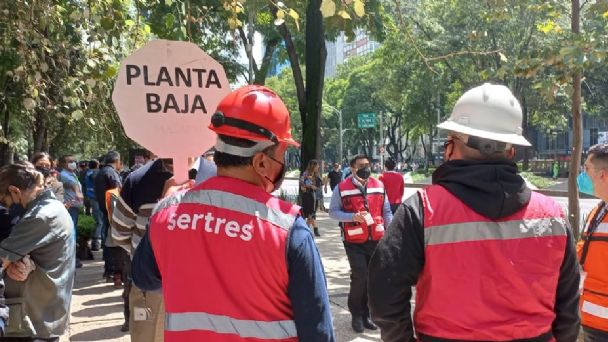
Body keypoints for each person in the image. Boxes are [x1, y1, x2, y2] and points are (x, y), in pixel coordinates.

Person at [368, 83, 580, 341]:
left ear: (452, 146)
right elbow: (568, 307)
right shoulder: (553, 215)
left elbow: (384, 295)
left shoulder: (423, 209)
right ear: (511, 150)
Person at [132, 85, 334, 341]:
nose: (283, 163)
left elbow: (144, 278)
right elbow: (318, 332)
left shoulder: (166, 212)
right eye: (282, 153)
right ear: (261, 162)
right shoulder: (288, 230)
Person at [0, 162, 75, 341]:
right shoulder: (52, 208)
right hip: (42, 315)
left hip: (34, 321)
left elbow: (2, 259)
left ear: (15, 191)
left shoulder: (41, 216)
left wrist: (10, 262)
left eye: (4, 199)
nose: (7, 206)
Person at [328, 154, 393, 333]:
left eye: (367, 165)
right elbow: (333, 212)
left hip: (376, 238)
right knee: (360, 275)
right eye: (361, 165)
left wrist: (390, 231)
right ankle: (356, 313)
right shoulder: (342, 188)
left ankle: (366, 314)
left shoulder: (378, 185)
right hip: (353, 240)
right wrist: (351, 217)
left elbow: (386, 210)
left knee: (371, 278)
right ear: (352, 168)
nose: (366, 168)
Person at [110, 158, 173, 338]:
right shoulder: (138, 180)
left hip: (204, 289)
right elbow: (120, 233)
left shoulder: (214, 175)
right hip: (151, 287)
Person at [576, 143, 608, 341]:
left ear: (603, 175)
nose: (582, 174)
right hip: (592, 324)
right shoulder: (598, 211)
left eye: (586, 168)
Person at [94, 151, 123, 282]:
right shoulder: (110, 173)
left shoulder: (101, 172)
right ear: (117, 161)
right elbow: (118, 189)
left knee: (108, 240)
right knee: (113, 243)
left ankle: (109, 270)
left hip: (105, 209)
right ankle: (113, 270)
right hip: (112, 211)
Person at [57, 154, 84, 269]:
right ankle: (71, 259)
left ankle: (72, 258)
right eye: (70, 161)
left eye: (74, 161)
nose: (73, 163)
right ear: (63, 164)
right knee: (70, 233)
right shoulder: (63, 175)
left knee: (73, 233)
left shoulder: (73, 174)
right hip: (70, 208)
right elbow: (72, 185)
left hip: (74, 208)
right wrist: (78, 192)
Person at [84, 159, 104, 251]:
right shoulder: (95, 173)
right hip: (96, 198)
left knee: (99, 220)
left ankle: (99, 241)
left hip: (91, 198)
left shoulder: (88, 172)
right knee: (99, 221)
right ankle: (95, 243)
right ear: (97, 165)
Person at [300, 160, 320, 237]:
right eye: (317, 165)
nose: (318, 167)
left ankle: (308, 229)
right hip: (308, 196)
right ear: (313, 166)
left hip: (315, 196)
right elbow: (302, 183)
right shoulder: (306, 174)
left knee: (311, 213)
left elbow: (318, 184)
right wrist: (310, 186)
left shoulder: (316, 174)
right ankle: (314, 229)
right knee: (310, 213)